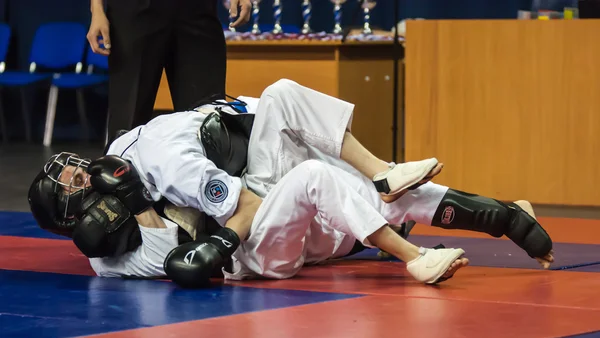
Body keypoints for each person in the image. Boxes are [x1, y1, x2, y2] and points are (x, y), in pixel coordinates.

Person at [27, 80, 553, 286]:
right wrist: (208, 238)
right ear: (77, 220)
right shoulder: (109, 256)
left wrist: (217, 234)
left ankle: (503, 214)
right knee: (315, 173)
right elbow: (179, 256)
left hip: (259, 210)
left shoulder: (151, 159)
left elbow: (241, 203)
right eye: (69, 184)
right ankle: (411, 252)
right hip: (254, 251)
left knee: (362, 186)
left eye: (71, 169)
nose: (75, 173)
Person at [86, 0, 252, 136]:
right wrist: (97, 9)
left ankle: (207, 177)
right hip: (134, 11)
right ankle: (119, 174)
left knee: (206, 122)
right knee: (128, 124)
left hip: (197, 10)